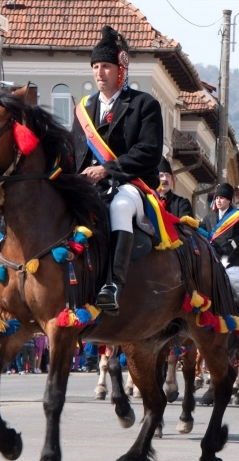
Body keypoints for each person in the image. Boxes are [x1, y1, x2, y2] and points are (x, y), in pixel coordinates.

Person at [72, 26, 164, 314]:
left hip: (132, 183)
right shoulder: (83, 109)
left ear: (121, 69)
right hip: (87, 184)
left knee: (120, 207)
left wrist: (107, 170)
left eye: (107, 67)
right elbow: (73, 152)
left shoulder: (143, 105)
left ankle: (113, 283)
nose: (100, 73)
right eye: (95, 67)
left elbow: (149, 151)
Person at [201, 182, 239, 299]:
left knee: (237, 295)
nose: (218, 201)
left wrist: (236, 241)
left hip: (234, 262)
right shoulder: (209, 217)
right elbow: (201, 232)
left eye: (221, 198)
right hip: (213, 261)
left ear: (229, 200)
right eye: (216, 198)